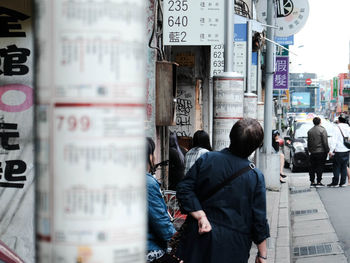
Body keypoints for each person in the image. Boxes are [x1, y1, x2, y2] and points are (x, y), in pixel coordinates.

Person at [176, 118, 270, 263]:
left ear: (231, 136)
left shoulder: (208, 159)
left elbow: (184, 189)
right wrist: (262, 254)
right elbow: (259, 220)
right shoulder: (255, 176)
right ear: (256, 146)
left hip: (199, 238)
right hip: (233, 247)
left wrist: (201, 216)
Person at [146, 137, 176, 262]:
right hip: (150, 249)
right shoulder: (147, 182)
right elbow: (160, 221)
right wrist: (177, 240)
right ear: (149, 156)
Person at [328, 114, 350, 187]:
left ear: (339, 120)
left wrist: (331, 151)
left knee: (336, 167)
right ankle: (343, 182)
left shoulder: (336, 128)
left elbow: (334, 140)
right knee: (344, 166)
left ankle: (335, 183)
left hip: (338, 150)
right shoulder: (348, 128)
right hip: (346, 150)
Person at [307, 117, 329, 187]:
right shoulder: (322, 130)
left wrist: (310, 150)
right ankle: (319, 181)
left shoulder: (310, 131)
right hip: (321, 151)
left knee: (312, 167)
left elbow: (309, 142)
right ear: (320, 122)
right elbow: (325, 142)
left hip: (312, 152)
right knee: (320, 167)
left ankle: (312, 181)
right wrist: (327, 150)